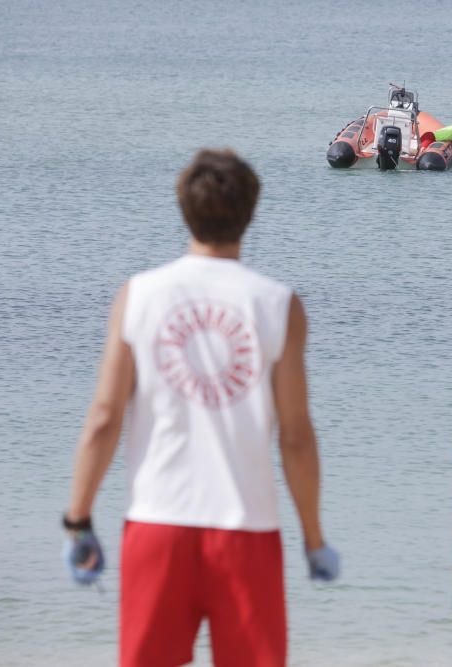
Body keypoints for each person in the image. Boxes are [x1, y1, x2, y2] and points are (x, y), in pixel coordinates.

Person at [62, 148, 340, 667]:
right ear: (250, 213)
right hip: (247, 532)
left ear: (183, 209)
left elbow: (104, 418)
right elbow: (296, 435)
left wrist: (78, 519)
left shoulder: (139, 296)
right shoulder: (278, 304)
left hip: (157, 528)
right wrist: (313, 536)